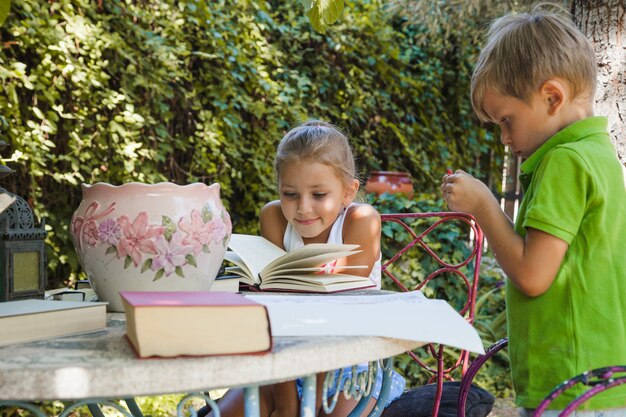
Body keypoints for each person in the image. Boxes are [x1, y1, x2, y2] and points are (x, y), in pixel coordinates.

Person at [441, 4, 626, 416]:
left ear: (551, 97)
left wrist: (484, 205)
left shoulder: (566, 162)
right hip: (596, 379)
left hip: (573, 386)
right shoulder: (598, 154)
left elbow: (532, 275)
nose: (505, 138)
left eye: (506, 120)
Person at [212, 119, 406, 417]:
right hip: (281, 362)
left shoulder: (362, 221)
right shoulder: (274, 217)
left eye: (318, 195)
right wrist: (287, 402)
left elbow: (333, 312)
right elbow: (275, 310)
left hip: (349, 365)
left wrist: (301, 408)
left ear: (348, 192)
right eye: (290, 194)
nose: (302, 208)